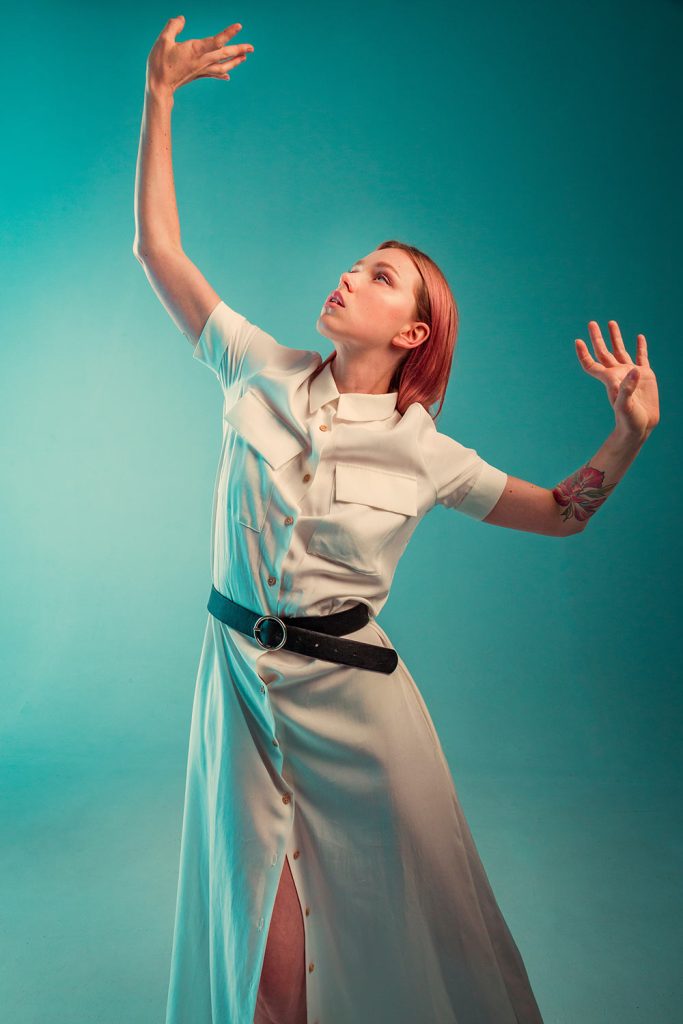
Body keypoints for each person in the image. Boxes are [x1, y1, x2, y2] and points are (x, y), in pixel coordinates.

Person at [134, 17, 660, 1024]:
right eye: (356, 263)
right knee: (261, 976)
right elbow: (158, 248)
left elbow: (560, 514)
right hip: (239, 695)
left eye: (379, 277)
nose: (349, 276)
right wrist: (158, 98)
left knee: (419, 943)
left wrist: (626, 435)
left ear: (412, 331)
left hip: (359, 714)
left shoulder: (426, 452)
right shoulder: (255, 366)